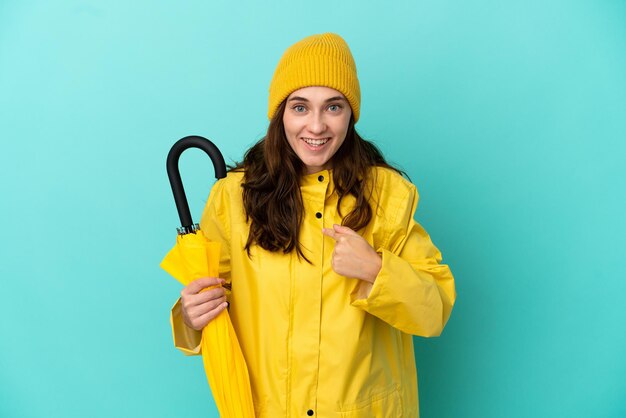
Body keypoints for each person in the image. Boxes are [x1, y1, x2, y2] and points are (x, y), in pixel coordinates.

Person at [170, 33, 456, 417]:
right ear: (280, 114)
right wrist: (189, 317)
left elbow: (434, 311)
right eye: (300, 107)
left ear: (350, 114)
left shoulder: (388, 194)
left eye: (333, 107)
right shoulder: (232, 198)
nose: (317, 126)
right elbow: (210, 303)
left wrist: (377, 270)